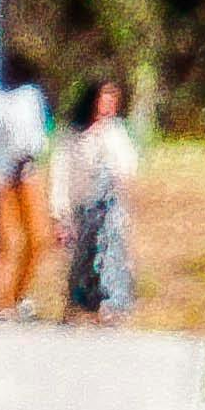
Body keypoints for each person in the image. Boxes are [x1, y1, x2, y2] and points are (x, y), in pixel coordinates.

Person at [60, 77, 140, 320]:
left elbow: (128, 166)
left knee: (111, 255)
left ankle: (113, 305)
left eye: (113, 99)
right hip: (82, 208)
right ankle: (79, 305)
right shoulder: (73, 135)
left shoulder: (115, 133)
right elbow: (61, 174)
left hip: (110, 209)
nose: (108, 104)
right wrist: (60, 215)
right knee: (82, 259)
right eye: (104, 98)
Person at [0, 70, 56, 321]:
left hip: (27, 169)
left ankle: (19, 295)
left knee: (39, 238)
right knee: (8, 242)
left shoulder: (30, 95)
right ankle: (1, 302)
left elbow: (37, 135)